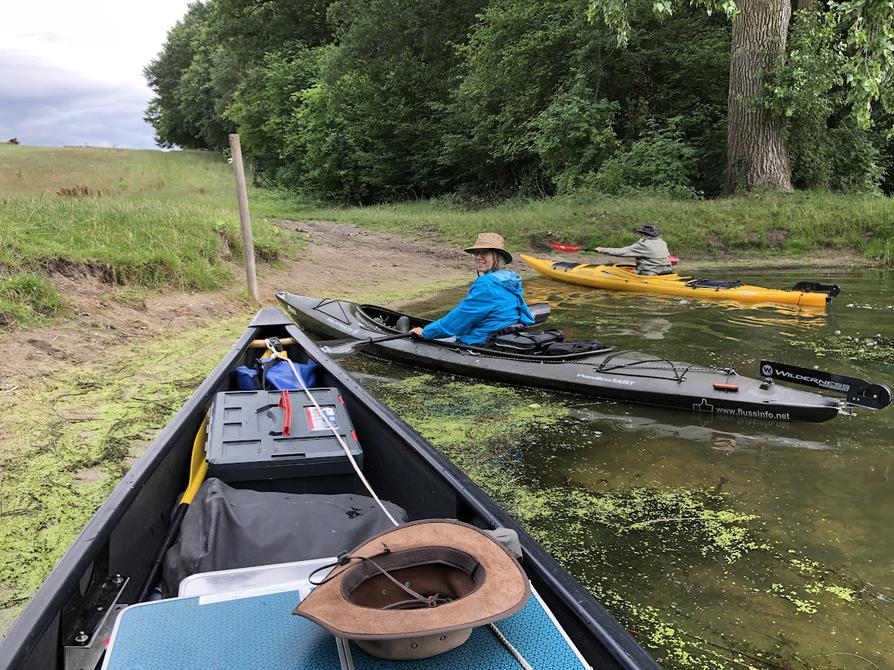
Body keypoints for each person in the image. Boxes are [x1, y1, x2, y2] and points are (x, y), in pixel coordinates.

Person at [409, 232, 534, 345]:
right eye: (476, 253)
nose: (478, 257)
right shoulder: (511, 278)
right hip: (503, 335)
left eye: (484, 252)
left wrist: (426, 332)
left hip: (482, 340)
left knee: (442, 335)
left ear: (496, 256)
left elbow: (462, 317)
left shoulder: (487, 284)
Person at [596, 223, 672, 275]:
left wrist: (602, 249)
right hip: (667, 271)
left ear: (643, 234)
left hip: (651, 274)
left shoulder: (644, 244)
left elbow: (621, 252)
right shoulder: (662, 242)